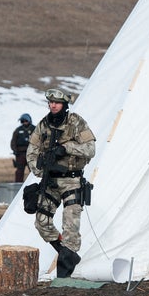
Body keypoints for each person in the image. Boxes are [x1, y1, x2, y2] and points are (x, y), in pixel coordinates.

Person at [27, 88, 96, 278]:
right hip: (51, 180)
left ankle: (65, 271)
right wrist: (38, 169)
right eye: (50, 102)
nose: (53, 105)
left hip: (72, 179)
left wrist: (66, 148)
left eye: (56, 103)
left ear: (64, 105)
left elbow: (90, 149)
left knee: (70, 225)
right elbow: (31, 150)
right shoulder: (43, 125)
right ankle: (68, 255)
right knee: (41, 221)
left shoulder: (75, 122)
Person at [11, 113, 35, 182]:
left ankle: (34, 184)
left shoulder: (35, 129)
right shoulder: (18, 130)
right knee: (19, 171)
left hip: (32, 154)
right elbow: (13, 142)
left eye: (26, 121)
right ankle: (18, 185)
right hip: (20, 154)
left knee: (33, 171)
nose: (24, 122)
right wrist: (15, 150)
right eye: (22, 121)